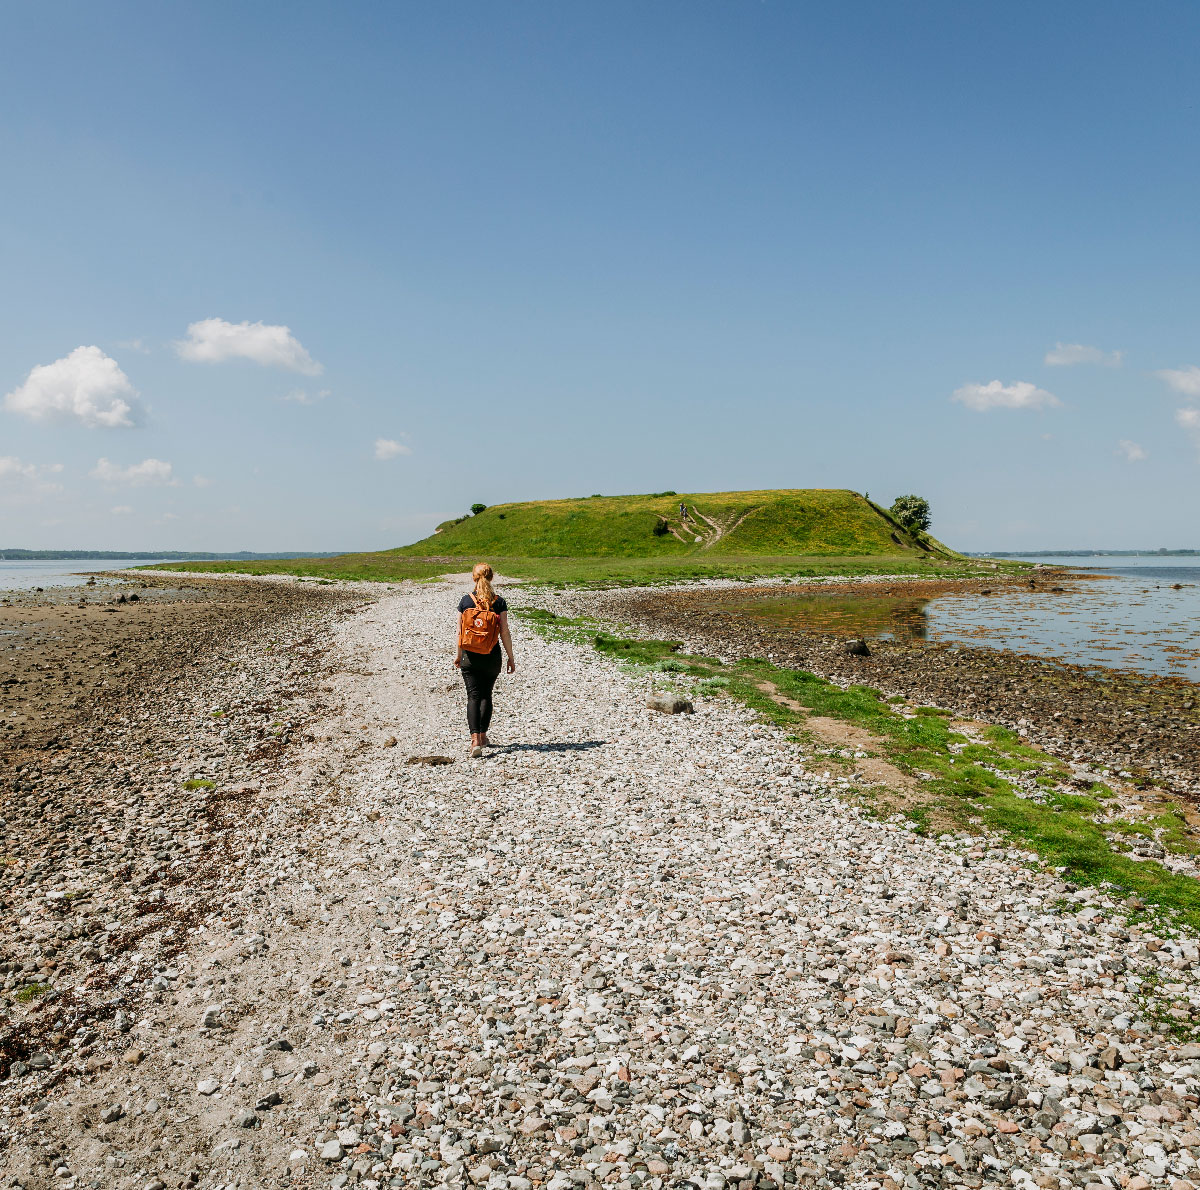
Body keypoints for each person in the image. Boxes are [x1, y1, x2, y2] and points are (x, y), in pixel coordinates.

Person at [454, 562, 516, 758]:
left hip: (469, 656)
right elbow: (504, 632)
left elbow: (459, 632)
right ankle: (483, 736)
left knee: (473, 696)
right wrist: (510, 657)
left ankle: (474, 742)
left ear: (474, 578)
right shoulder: (499, 603)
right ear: (492, 578)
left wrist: (458, 655)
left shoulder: (465, 601)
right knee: (486, 695)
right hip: (491, 656)